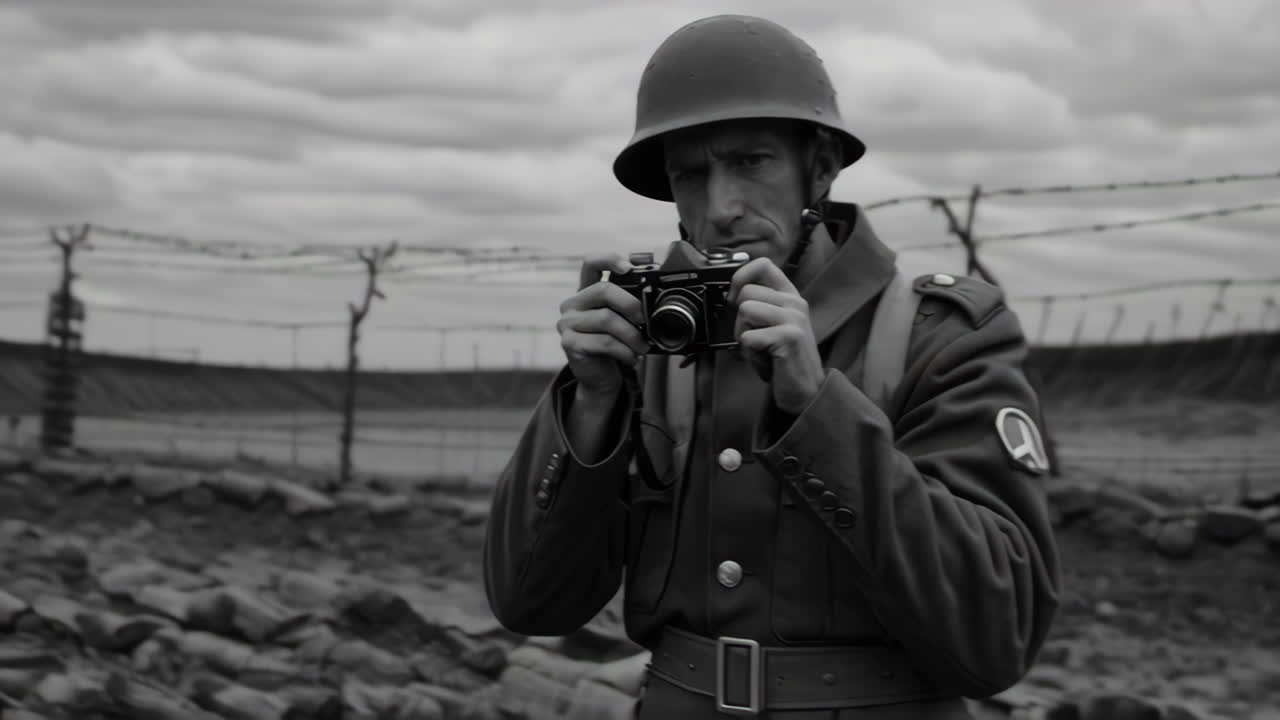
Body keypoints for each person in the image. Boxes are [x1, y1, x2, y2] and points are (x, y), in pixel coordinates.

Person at [484, 14, 1062, 719]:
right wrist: (591, 407)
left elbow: (997, 636)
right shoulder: (647, 351)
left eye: (751, 161)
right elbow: (530, 600)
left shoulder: (938, 338)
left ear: (817, 167)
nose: (721, 206)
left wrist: (817, 409)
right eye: (690, 175)